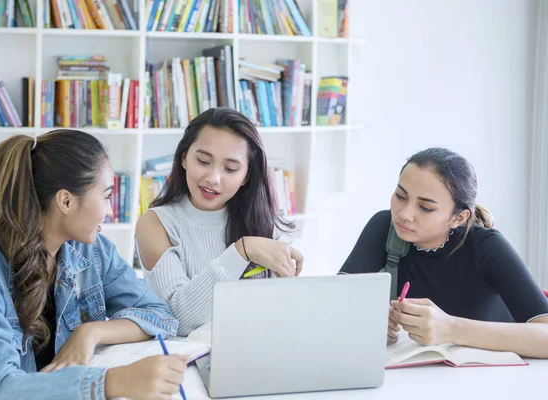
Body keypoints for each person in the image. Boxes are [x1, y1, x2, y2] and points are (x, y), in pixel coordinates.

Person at [0, 130, 188, 400]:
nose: (109, 211)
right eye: (106, 196)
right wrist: (111, 383)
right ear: (66, 201)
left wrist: (91, 332)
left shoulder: (93, 251)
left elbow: (161, 316)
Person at [339, 147, 548, 357]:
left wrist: (450, 328)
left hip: (489, 378)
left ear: (458, 218)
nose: (404, 214)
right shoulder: (384, 228)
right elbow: (335, 303)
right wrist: (367, 318)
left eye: (425, 208)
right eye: (401, 196)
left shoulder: (487, 247)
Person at [136, 108, 304, 336]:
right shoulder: (156, 224)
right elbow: (179, 320)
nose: (213, 178)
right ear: (184, 157)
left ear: (246, 176)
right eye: (203, 161)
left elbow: (281, 312)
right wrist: (242, 251)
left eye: (230, 169)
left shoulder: (262, 221)